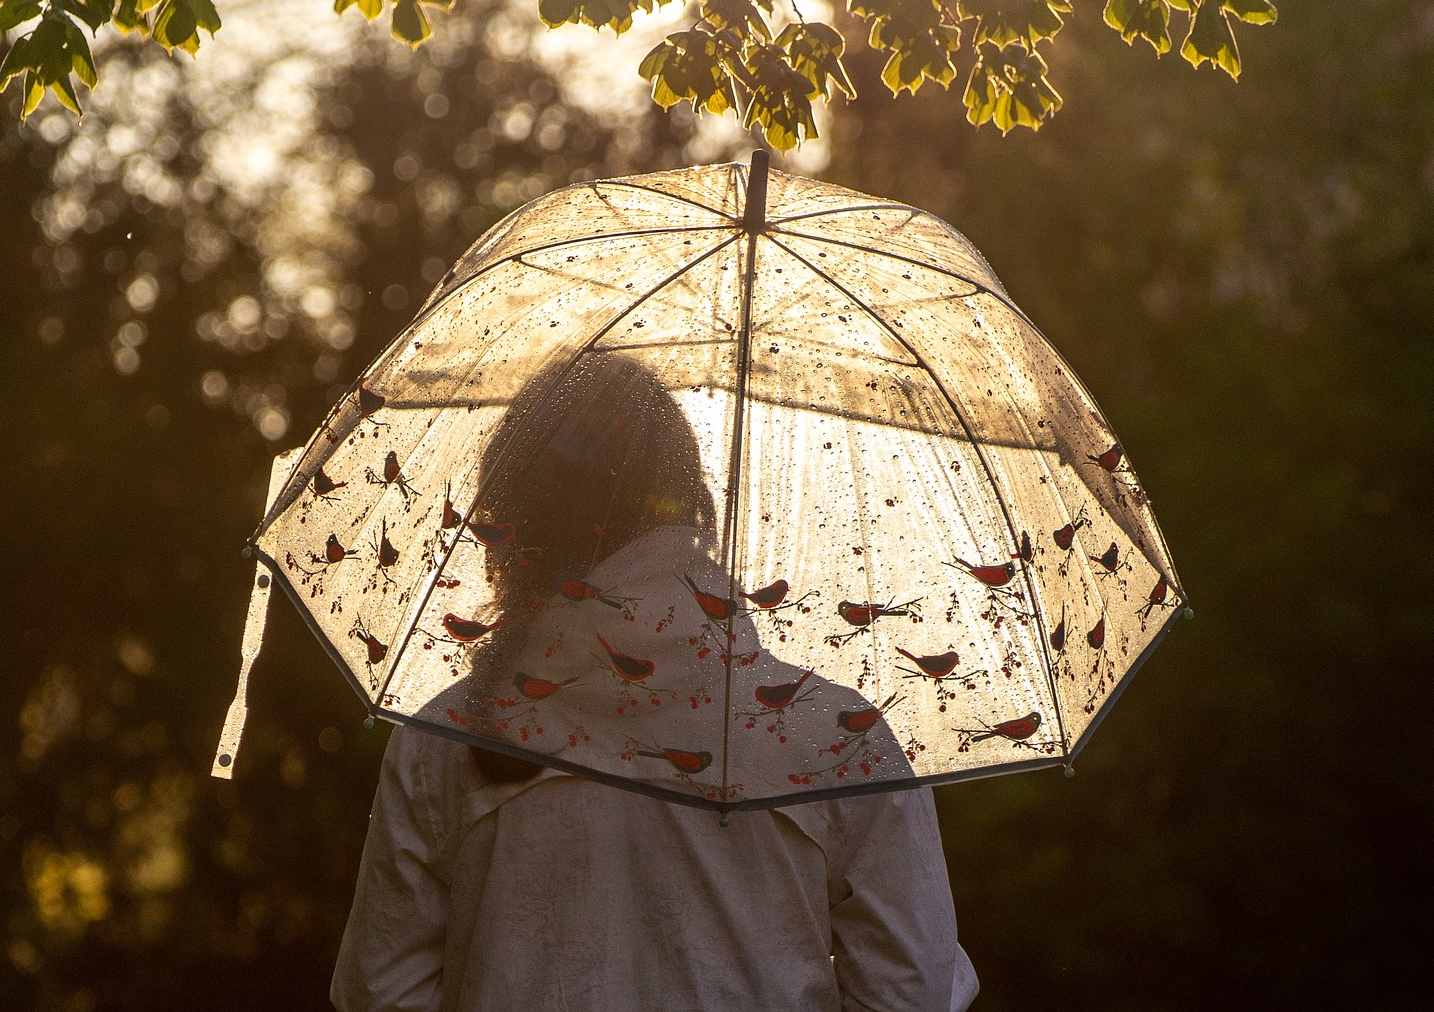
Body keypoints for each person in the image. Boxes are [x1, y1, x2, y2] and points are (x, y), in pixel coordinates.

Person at [331, 353, 980, 1012]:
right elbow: (912, 992)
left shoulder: (446, 741)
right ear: (690, 502)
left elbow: (381, 992)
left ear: (512, 523)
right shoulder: (837, 736)